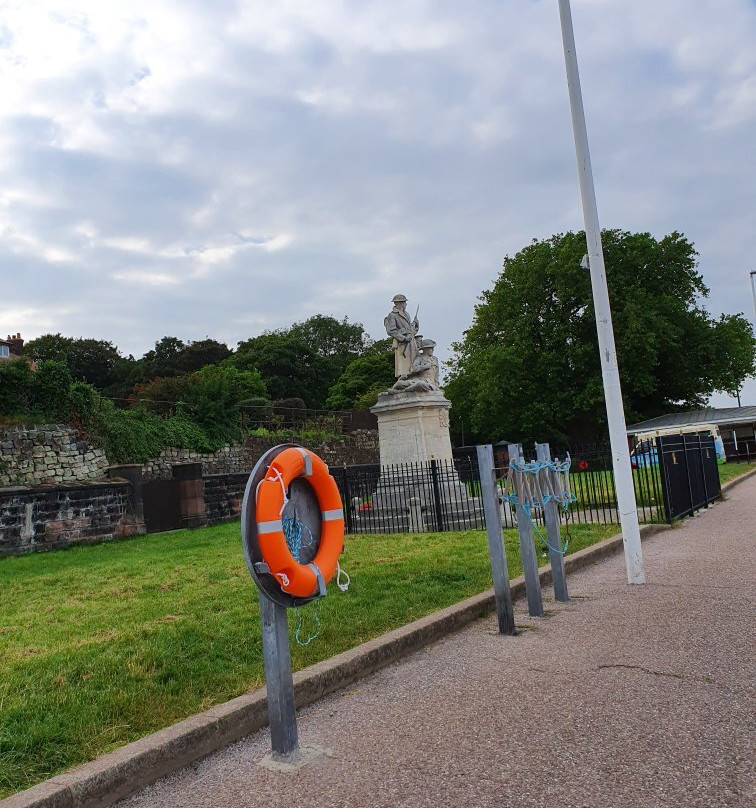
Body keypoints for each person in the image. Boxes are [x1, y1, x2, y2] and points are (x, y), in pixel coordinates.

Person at [384, 294, 420, 377]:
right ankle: (403, 378)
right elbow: (391, 331)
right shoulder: (392, 315)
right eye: (404, 302)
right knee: (403, 364)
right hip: (402, 343)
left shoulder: (407, 314)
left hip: (410, 342)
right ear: (399, 303)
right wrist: (403, 338)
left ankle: (412, 376)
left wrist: (415, 325)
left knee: (413, 361)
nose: (406, 304)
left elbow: (410, 331)